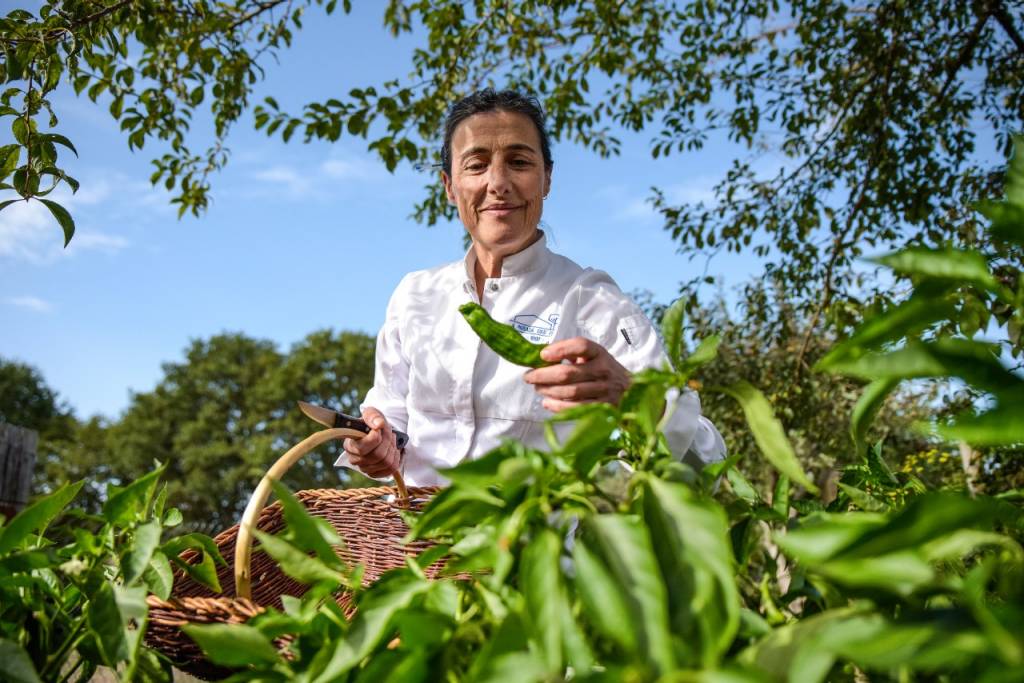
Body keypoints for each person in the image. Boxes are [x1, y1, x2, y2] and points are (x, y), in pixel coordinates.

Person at [338, 89, 725, 487]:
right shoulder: (415, 295)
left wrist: (633, 397)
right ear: (450, 186)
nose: (498, 182)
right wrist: (375, 445)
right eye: (476, 165)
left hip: (534, 541)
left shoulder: (590, 300)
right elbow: (389, 418)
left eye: (519, 162)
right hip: (407, 542)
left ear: (547, 179)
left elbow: (705, 463)